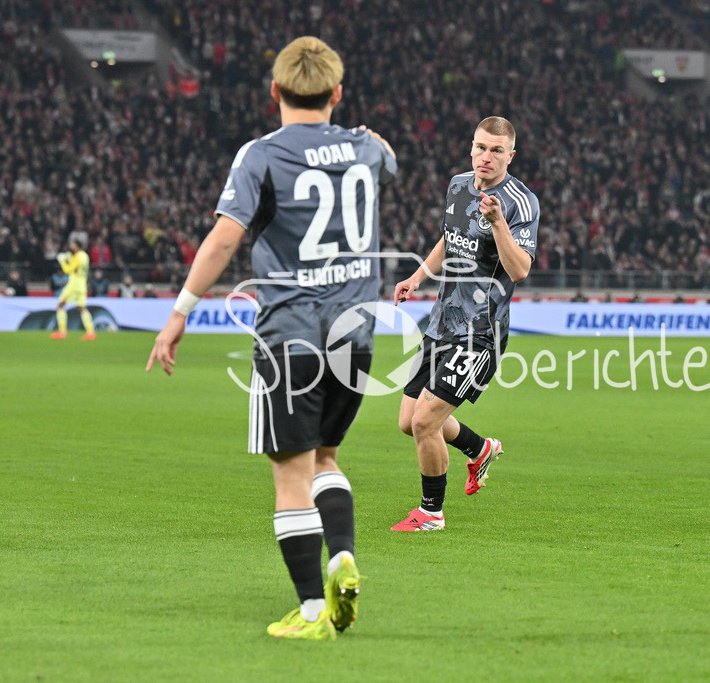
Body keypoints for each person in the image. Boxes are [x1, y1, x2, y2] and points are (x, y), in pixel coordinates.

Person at [146, 36, 396, 641]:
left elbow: (225, 238)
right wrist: (363, 135)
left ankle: (313, 612)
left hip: (291, 337)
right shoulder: (367, 150)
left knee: (291, 476)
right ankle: (341, 557)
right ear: (337, 93)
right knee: (328, 459)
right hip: (355, 336)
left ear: (274, 92)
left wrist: (180, 311)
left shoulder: (260, 155)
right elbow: (387, 154)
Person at [391, 116, 539, 532]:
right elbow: (449, 237)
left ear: (511, 155)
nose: (485, 157)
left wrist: (498, 224)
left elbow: (520, 269)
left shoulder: (520, 202)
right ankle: (479, 448)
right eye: (479, 147)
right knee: (409, 421)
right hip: (442, 322)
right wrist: (418, 277)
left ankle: (431, 513)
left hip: (480, 334)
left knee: (425, 421)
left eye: (495, 150)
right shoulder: (458, 186)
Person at [50, 239, 96, 340]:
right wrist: (69, 257)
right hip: (82, 284)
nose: (71, 246)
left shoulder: (78, 256)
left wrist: (62, 261)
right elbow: (77, 265)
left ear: (77, 246)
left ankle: (62, 332)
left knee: (61, 305)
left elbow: (69, 270)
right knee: (82, 307)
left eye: (73, 245)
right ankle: (90, 333)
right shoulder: (85, 256)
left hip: (74, 284)